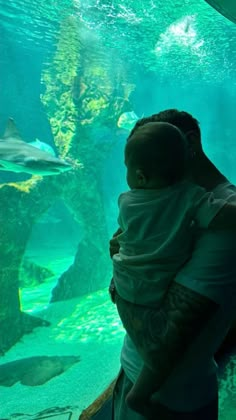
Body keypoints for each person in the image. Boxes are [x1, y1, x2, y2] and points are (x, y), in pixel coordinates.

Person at [110, 109, 236, 420]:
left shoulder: (220, 220)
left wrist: (119, 278)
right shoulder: (155, 199)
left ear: (188, 143)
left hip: (169, 403)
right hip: (130, 373)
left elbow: (161, 341)